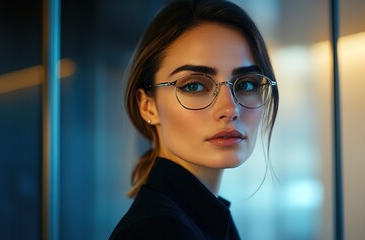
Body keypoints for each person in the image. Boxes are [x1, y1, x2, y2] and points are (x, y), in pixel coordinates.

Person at [110, 0, 279, 239]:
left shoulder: (201, 219)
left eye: (247, 84)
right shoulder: (159, 231)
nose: (230, 109)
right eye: (195, 86)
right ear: (148, 106)